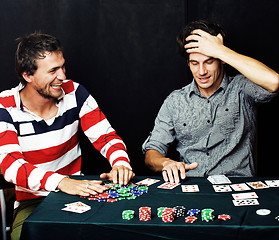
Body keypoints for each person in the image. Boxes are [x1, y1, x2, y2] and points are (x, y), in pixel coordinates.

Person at [0, 32, 134, 240]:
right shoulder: (5, 106)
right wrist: (62, 182)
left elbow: (107, 137)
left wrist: (120, 164)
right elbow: (11, 165)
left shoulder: (75, 92)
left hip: (79, 193)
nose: (62, 76)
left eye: (62, 66)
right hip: (32, 201)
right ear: (28, 75)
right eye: (53, 70)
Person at [142, 19, 279, 183]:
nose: (201, 71)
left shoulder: (242, 88)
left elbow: (274, 82)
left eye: (209, 61)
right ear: (188, 63)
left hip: (236, 188)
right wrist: (166, 163)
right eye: (194, 63)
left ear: (221, 60)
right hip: (191, 187)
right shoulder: (175, 101)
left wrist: (221, 51)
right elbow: (152, 153)